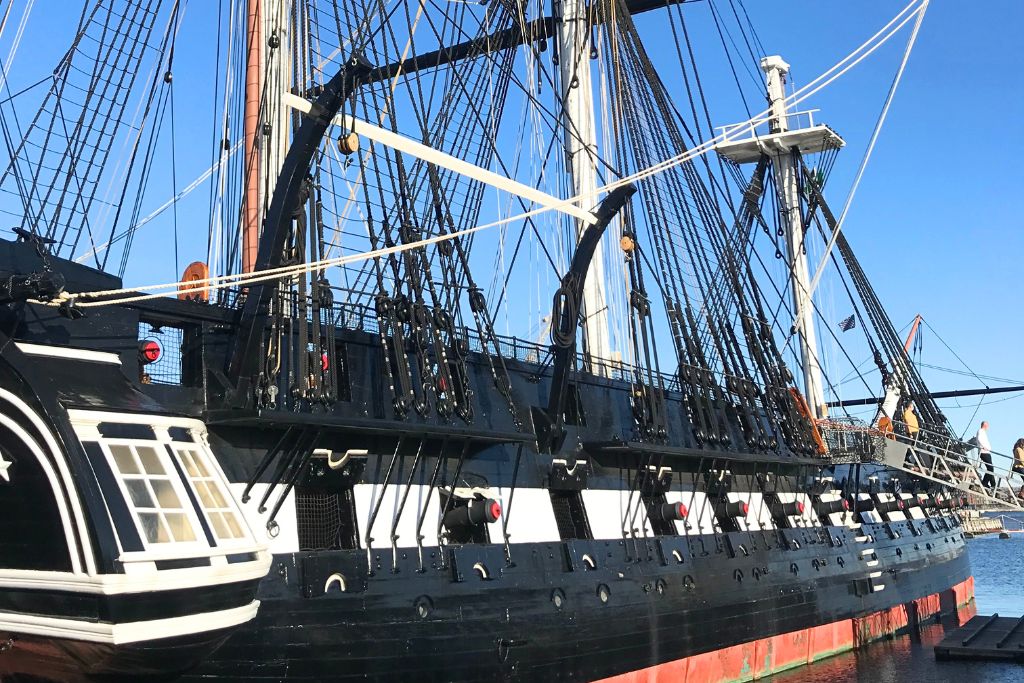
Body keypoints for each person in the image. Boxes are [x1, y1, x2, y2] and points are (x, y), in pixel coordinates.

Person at [976, 421, 995, 489]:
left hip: (986, 452)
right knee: (990, 468)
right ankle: (986, 483)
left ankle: (990, 483)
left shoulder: (982, 432)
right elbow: (979, 439)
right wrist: (984, 447)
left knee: (990, 468)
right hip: (984, 452)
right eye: (988, 426)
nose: (988, 427)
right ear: (985, 425)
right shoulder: (981, 431)